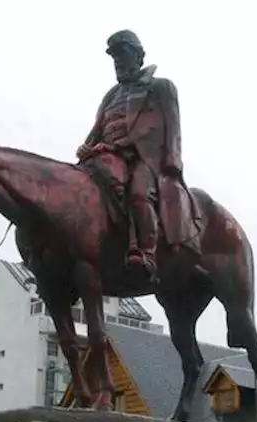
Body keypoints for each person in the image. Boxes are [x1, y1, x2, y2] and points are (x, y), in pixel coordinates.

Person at [77, 29, 189, 281]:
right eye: (114, 57)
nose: (118, 61)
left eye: (123, 54)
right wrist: (86, 148)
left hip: (143, 157)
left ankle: (146, 252)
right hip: (104, 154)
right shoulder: (111, 95)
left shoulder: (161, 87)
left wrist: (172, 160)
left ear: (139, 56)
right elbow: (98, 128)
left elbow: (168, 126)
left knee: (138, 194)